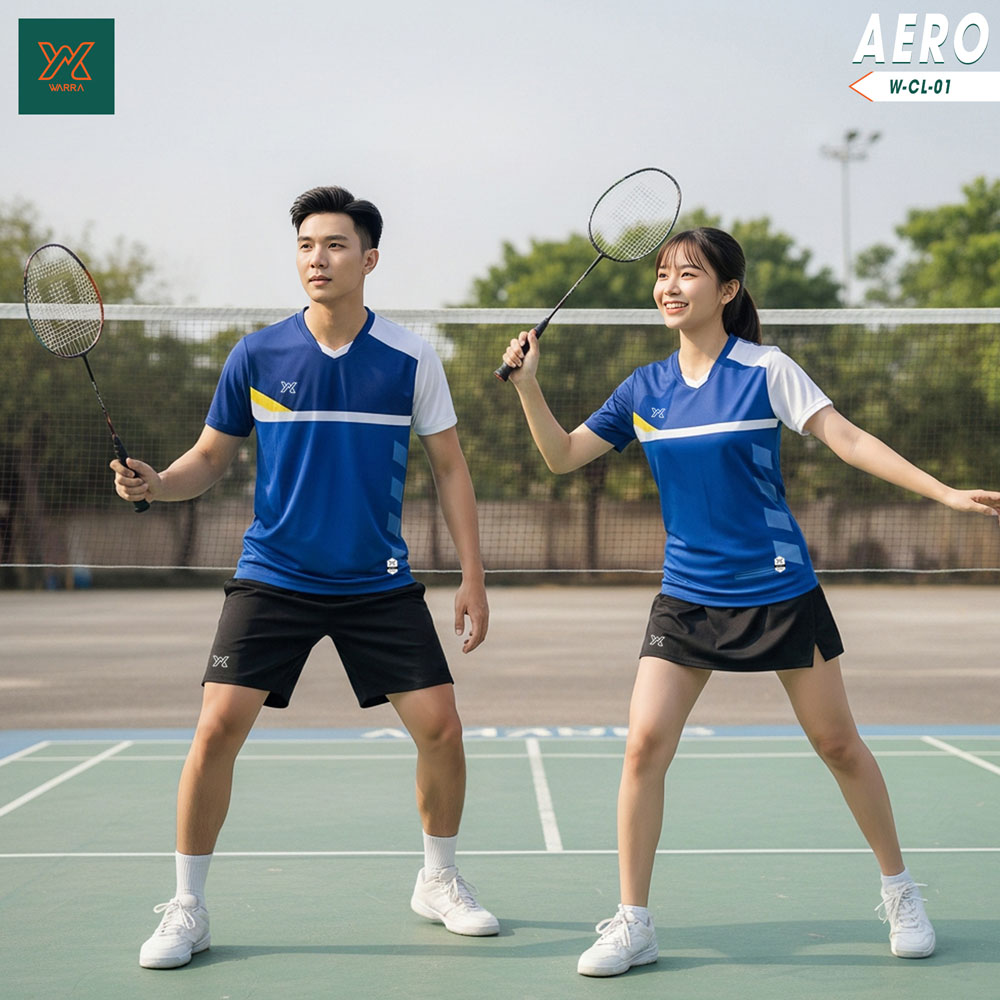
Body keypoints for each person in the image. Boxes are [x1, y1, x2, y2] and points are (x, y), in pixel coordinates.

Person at [500, 226, 1000, 978]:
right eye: (662, 274)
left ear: (727, 290)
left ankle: (901, 892)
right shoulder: (643, 389)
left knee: (838, 745)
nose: (669, 287)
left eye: (688, 274)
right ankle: (635, 922)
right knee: (643, 747)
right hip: (687, 595)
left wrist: (943, 492)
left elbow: (847, 439)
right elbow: (563, 455)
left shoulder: (766, 370)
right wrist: (528, 386)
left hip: (778, 588)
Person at [112, 185, 498, 970]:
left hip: (375, 580)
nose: (317, 258)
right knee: (216, 728)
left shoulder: (410, 358)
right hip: (275, 574)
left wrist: (473, 576)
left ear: (370, 259)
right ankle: (187, 907)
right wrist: (159, 483)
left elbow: (451, 468)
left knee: (442, 728)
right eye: (305, 245)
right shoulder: (256, 355)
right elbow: (209, 459)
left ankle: (438, 879)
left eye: (334, 245)